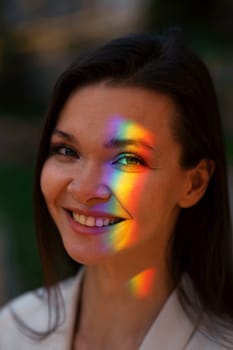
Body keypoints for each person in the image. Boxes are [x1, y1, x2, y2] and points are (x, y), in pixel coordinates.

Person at [0, 30, 233, 349]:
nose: (83, 190)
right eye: (67, 151)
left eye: (127, 159)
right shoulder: (13, 330)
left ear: (194, 183)